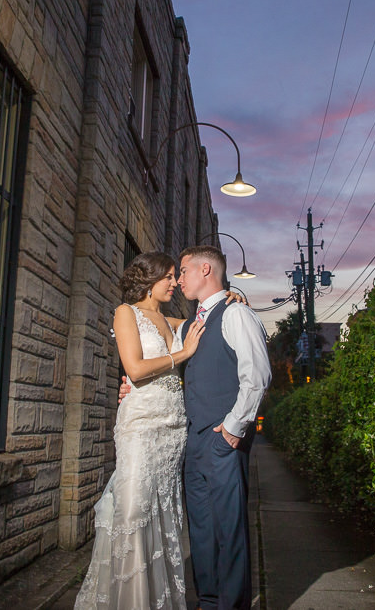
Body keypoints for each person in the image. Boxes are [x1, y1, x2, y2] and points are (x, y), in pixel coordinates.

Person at [122, 245, 271, 610]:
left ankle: (232, 605)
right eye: (172, 275)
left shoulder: (236, 314)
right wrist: (133, 383)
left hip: (223, 439)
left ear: (205, 270)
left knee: (230, 528)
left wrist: (233, 429)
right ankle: (207, 600)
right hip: (192, 441)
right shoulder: (189, 324)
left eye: (183, 271)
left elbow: (257, 376)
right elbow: (158, 356)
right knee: (202, 529)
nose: (178, 280)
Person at [75, 251, 205, 609]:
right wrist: (184, 354)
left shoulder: (171, 320)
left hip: (173, 426)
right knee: (133, 510)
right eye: (170, 277)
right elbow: (133, 369)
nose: (176, 283)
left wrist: (230, 297)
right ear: (150, 280)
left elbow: (209, 320)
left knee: (162, 514)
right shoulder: (125, 313)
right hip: (140, 423)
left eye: (177, 276)